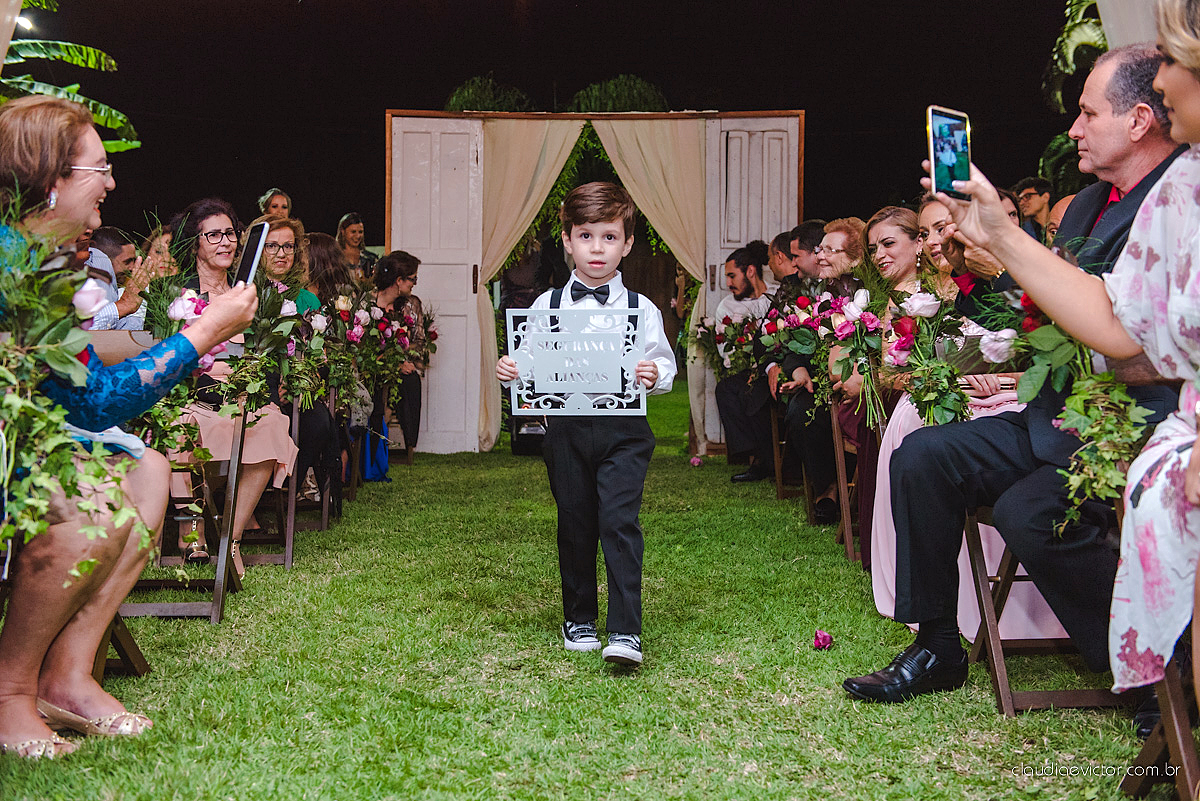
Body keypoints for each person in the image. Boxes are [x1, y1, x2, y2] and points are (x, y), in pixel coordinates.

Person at [842, 43, 1185, 705]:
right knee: (921, 455)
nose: (1073, 129)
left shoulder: (1172, 206)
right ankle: (937, 641)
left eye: (1088, 114)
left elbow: (1129, 330)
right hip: (1045, 416)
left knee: (1031, 517)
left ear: (1139, 120)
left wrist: (1004, 255)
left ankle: (1153, 677)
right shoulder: (1086, 206)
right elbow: (1047, 319)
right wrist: (1011, 366)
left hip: (1127, 430)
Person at [0, 96, 256, 758]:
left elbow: (84, 396)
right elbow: (90, 406)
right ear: (52, 178)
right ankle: (8, 693)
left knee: (147, 469)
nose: (112, 183)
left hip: (29, 434)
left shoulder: (45, 259)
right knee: (91, 503)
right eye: (100, 168)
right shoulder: (11, 263)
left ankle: (68, 673)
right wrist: (202, 334)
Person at [869, 196, 1066, 642]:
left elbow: (1037, 348)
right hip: (961, 400)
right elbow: (894, 371)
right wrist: (953, 381)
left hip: (1030, 404)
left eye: (944, 229)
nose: (938, 242)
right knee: (922, 442)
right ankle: (940, 631)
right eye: (928, 233)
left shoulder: (985, 287)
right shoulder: (920, 298)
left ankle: (1023, 607)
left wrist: (1000, 378)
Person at [495, 181, 676, 667]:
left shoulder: (642, 310)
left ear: (628, 243)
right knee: (575, 522)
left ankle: (625, 631)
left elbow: (665, 365)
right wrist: (513, 369)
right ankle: (578, 616)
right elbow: (529, 360)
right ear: (568, 240)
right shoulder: (546, 306)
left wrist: (654, 372)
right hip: (566, 431)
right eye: (587, 236)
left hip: (624, 433)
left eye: (610, 237)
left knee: (619, 522)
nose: (598, 248)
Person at [169, 198, 300, 577]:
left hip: (247, 397)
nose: (225, 242)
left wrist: (252, 383)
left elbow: (270, 354)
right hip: (194, 396)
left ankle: (231, 538)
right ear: (194, 242)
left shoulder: (254, 294)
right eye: (213, 235)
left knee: (273, 424)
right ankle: (190, 532)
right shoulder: (177, 295)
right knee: (178, 426)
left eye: (230, 233)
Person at [769, 217, 866, 525]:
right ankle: (828, 490)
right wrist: (797, 369)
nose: (819, 256)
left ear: (855, 257)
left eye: (827, 250)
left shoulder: (868, 294)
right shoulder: (818, 292)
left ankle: (850, 489)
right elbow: (798, 343)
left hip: (857, 379)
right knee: (801, 411)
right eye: (819, 250)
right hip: (818, 380)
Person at [713, 241, 774, 482]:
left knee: (755, 392)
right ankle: (756, 456)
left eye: (732, 276)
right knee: (728, 389)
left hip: (774, 367)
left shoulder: (777, 295)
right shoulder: (726, 306)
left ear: (750, 271)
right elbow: (724, 350)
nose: (728, 283)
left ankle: (770, 460)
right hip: (745, 369)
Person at [372, 250, 426, 458]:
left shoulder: (411, 305)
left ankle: (409, 445)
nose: (414, 284)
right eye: (412, 279)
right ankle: (375, 448)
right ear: (398, 280)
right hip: (374, 367)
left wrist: (403, 361)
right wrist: (392, 364)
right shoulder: (368, 304)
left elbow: (419, 341)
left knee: (410, 381)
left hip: (402, 366)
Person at [249, 214, 319, 313]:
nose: (281, 254)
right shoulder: (244, 298)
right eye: (272, 246)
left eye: (288, 246)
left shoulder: (308, 300)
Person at [337, 212, 376, 283]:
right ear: (342, 231)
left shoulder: (370, 258)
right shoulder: (334, 258)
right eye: (353, 232)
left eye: (360, 232)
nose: (358, 236)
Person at [1013, 176, 1053, 241]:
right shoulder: (1021, 231)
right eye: (1020, 199)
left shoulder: (1061, 224)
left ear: (1045, 197)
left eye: (1027, 197)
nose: (1021, 203)